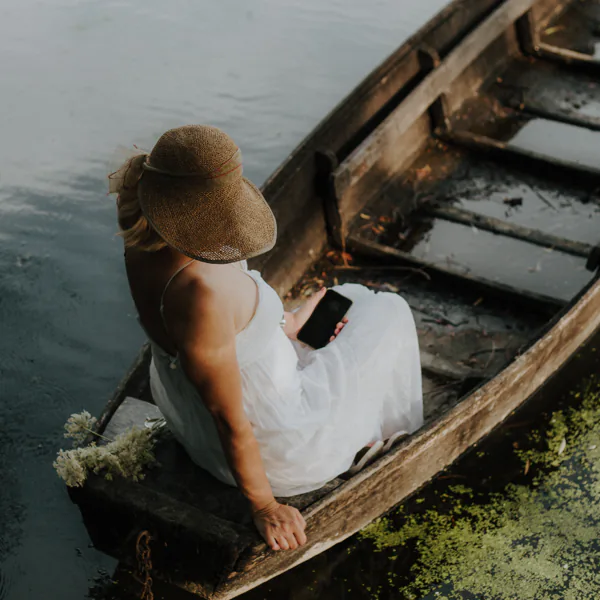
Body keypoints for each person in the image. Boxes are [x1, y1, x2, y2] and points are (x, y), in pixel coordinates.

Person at [109, 125, 423, 552]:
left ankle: (327, 381)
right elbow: (230, 421)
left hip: (194, 428)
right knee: (388, 310)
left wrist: (286, 325)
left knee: (345, 298)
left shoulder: (142, 239)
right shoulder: (203, 294)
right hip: (273, 448)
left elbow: (220, 341)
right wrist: (264, 505)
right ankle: (364, 436)